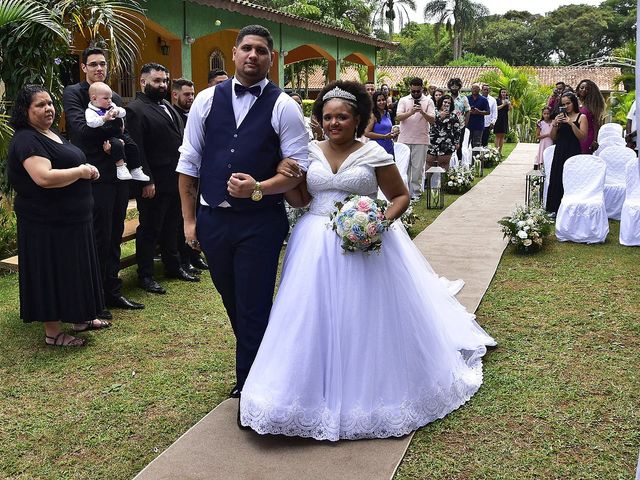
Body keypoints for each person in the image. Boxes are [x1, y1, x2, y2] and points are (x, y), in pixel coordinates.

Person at [239, 80, 496, 440]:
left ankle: (370, 390)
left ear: (357, 118)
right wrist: (289, 179)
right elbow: (299, 201)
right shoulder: (307, 152)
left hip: (366, 244)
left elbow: (400, 197)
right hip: (313, 242)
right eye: (327, 117)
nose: (334, 124)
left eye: (342, 117)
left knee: (364, 314)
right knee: (309, 313)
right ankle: (302, 391)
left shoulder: (375, 153)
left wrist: (378, 223)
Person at [176, 25, 309, 400]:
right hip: (212, 219)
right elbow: (189, 163)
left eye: (261, 50)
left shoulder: (285, 106)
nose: (253, 55)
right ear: (234, 53)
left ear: (271, 58)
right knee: (231, 297)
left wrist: (259, 189)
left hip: (259, 222)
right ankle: (266, 358)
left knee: (253, 301)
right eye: (247, 48)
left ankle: (251, 385)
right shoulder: (205, 100)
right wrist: (189, 220)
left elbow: (296, 167)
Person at [8, 85, 110, 347]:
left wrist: (84, 170)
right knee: (52, 273)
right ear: (25, 111)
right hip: (47, 224)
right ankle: (53, 334)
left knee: (73, 270)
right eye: (40, 105)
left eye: (50, 103)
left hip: (72, 221)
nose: (48, 108)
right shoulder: (27, 139)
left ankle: (80, 317)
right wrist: (81, 171)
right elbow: (43, 178)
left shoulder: (50, 133)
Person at [63, 47, 144, 316]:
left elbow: (124, 130)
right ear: (83, 67)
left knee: (115, 233)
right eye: (94, 64)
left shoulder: (113, 95)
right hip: (94, 174)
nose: (99, 68)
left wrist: (123, 146)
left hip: (118, 174)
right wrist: (114, 134)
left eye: (103, 64)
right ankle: (94, 297)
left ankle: (113, 291)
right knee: (98, 235)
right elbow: (82, 130)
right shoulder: (74, 93)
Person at [126, 63, 199, 295]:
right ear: (143, 82)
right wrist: (146, 180)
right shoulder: (135, 109)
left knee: (172, 225)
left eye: (165, 81)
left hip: (175, 179)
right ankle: (145, 275)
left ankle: (173, 265)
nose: (163, 85)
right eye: (157, 81)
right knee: (150, 228)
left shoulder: (167, 105)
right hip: (153, 182)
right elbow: (136, 148)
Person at [171, 78, 209, 274]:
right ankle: (181, 262)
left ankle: (194, 257)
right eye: (187, 94)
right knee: (180, 223)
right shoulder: (173, 113)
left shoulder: (194, 112)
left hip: (199, 176)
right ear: (175, 94)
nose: (191, 98)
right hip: (177, 175)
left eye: (192, 94)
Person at [85, 82, 150, 182]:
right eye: (106, 98)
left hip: (119, 133)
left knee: (132, 145)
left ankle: (136, 169)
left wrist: (117, 112)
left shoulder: (112, 106)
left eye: (110, 98)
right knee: (117, 145)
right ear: (94, 98)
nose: (109, 101)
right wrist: (104, 118)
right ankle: (120, 167)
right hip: (106, 137)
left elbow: (123, 112)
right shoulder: (90, 111)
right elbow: (91, 123)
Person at [546, 92, 588, 215]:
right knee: (557, 178)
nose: (566, 106)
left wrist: (571, 123)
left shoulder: (581, 117)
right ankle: (554, 209)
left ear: (574, 102)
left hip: (573, 152)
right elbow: (553, 137)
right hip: (560, 151)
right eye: (563, 104)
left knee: (571, 180)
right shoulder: (558, 118)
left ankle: (571, 209)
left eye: (568, 103)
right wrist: (554, 124)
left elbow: (583, 137)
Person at [395, 77, 435, 199]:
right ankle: (405, 193)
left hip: (421, 140)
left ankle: (416, 193)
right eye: (413, 91)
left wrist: (422, 112)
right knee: (404, 168)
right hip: (404, 140)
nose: (416, 93)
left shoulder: (428, 101)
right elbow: (398, 117)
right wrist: (411, 112)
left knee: (418, 169)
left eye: (418, 91)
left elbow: (433, 120)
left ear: (422, 89)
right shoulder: (403, 100)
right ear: (410, 89)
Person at [427, 94, 461, 171]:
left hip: (447, 142)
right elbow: (429, 123)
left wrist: (456, 142)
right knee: (430, 162)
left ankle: (443, 181)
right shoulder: (433, 112)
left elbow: (457, 129)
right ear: (441, 102)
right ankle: (427, 181)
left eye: (449, 103)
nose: (446, 104)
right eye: (445, 102)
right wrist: (439, 116)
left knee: (444, 164)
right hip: (433, 141)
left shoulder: (453, 115)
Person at [364, 90, 397, 156]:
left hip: (389, 147)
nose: (382, 102)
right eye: (379, 100)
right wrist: (384, 136)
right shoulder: (373, 115)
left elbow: (387, 130)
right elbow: (366, 133)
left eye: (383, 100)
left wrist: (394, 132)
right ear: (375, 102)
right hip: (376, 150)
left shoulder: (387, 113)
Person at [576, 79, 605, 154]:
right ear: (578, 88)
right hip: (573, 134)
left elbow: (596, 124)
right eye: (582, 88)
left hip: (587, 136)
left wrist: (595, 140)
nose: (584, 90)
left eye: (587, 89)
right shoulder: (573, 101)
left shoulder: (592, 105)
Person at [448, 77, 470, 162]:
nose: (454, 88)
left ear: (459, 87)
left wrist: (465, 123)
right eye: (452, 86)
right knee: (449, 145)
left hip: (460, 125)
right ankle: (450, 163)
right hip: (448, 125)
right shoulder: (447, 97)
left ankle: (459, 164)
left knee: (459, 145)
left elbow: (468, 111)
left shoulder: (463, 98)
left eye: (456, 86)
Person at [466, 83, 489, 148]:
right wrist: (469, 112)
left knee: (477, 144)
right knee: (466, 143)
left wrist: (479, 112)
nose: (475, 90)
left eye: (476, 88)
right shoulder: (467, 98)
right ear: (471, 89)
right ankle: (467, 158)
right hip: (468, 124)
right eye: (473, 88)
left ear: (479, 90)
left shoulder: (484, 99)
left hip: (479, 125)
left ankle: (475, 158)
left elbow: (488, 112)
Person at [494, 88, 510, 155]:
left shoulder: (507, 100)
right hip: (498, 118)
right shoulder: (497, 100)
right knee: (498, 135)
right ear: (500, 93)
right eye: (502, 92)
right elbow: (496, 108)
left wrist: (509, 104)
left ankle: (500, 152)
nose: (503, 93)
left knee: (502, 135)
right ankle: (496, 152)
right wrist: (503, 105)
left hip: (504, 119)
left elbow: (509, 110)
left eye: (504, 92)